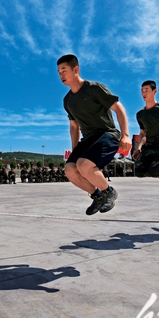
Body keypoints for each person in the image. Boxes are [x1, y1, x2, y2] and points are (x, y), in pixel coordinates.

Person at [57, 54, 130, 215]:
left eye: (64, 70)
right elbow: (74, 126)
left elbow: (119, 108)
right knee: (70, 169)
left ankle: (109, 192)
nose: (61, 75)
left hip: (107, 134)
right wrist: (75, 149)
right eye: (59, 72)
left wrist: (125, 135)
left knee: (84, 165)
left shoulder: (94, 88)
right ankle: (97, 196)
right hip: (88, 139)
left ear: (75, 69)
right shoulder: (67, 100)